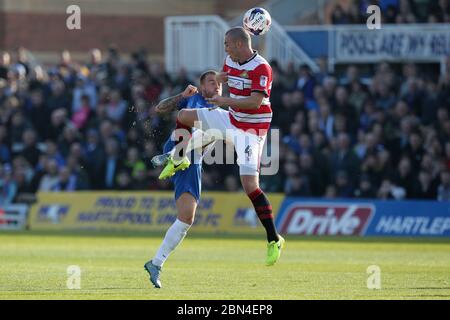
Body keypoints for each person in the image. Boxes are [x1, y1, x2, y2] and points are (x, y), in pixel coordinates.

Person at [157, 26, 285, 269]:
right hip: (230, 119)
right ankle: (180, 157)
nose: (224, 48)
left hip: (251, 131)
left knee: (250, 186)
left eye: (227, 44)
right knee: (184, 115)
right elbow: (226, 76)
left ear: (238, 44)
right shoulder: (230, 60)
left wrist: (224, 99)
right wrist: (219, 79)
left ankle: (273, 239)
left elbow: (255, 101)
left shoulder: (262, 67)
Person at [144, 70, 221, 288]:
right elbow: (159, 109)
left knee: (186, 218)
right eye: (212, 83)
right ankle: (174, 155)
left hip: (192, 162)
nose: (217, 87)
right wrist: (180, 95)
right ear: (202, 86)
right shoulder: (192, 98)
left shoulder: (220, 109)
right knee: (214, 127)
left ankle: (156, 263)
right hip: (179, 144)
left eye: (219, 84)